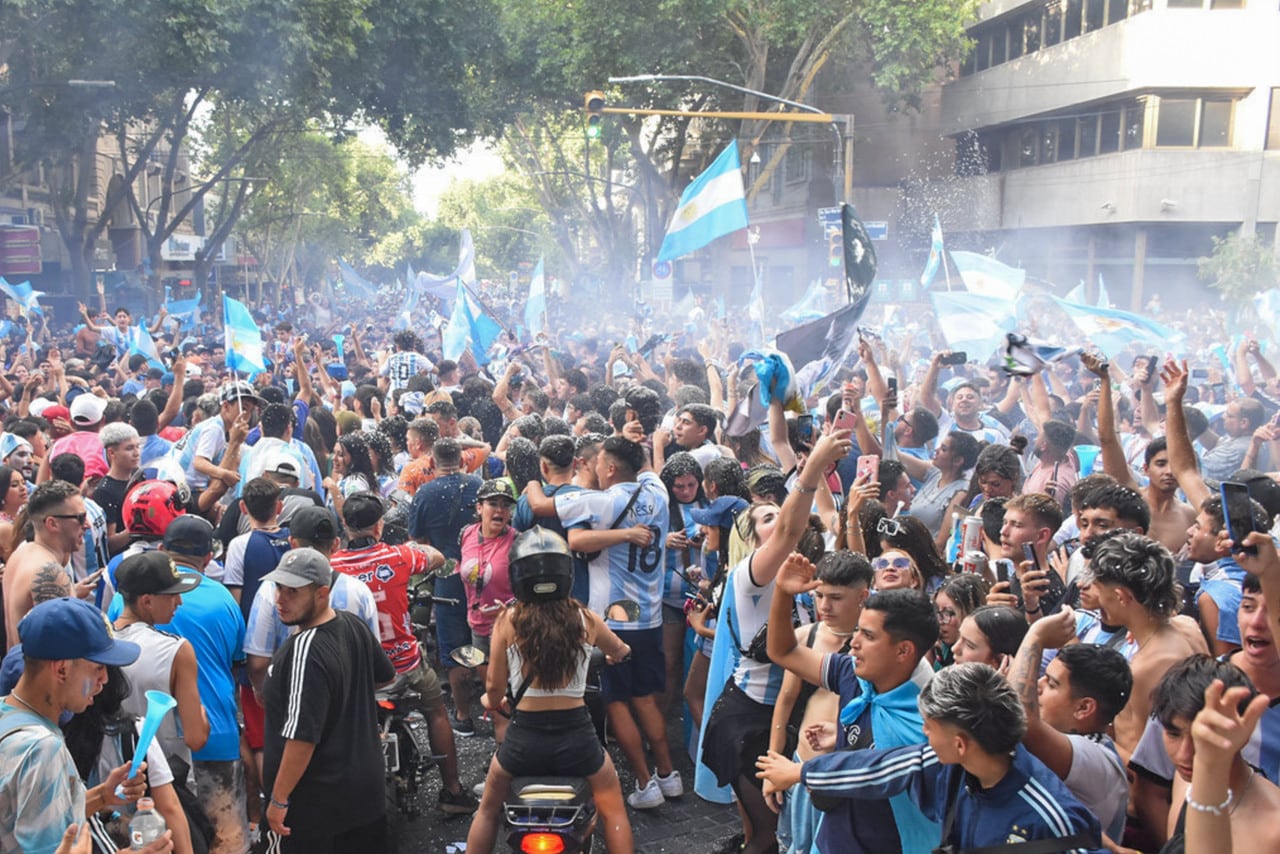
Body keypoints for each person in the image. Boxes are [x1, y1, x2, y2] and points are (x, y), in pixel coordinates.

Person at [755, 663, 1105, 853]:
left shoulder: (1049, 819)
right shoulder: (951, 765)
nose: (923, 735)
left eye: (929, 728)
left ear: (961, 743)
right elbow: (877, 768)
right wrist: (802, 773)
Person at [524, 434, 680, 810]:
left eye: (597, 462)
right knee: (644, 698)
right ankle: (668, 774)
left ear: (610, 468)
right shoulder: (655, 491)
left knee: (616, 703)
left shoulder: (602, 500)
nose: (592, 467)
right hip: (650, 617)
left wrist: (530, 476)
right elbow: (650, 468)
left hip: (613, 621)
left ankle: (645, 783)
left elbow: (541, 504)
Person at [464, 527, 634, 853]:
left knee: (487, 810)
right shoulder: (585, 618)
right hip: (578, 739)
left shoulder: (508, 620)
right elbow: (619, 649)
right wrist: (618, 654)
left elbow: (494, 690)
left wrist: (490, 699)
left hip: (524, 741)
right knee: (614, 809)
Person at [329, 491, 475, 814]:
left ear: (345, 526)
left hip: (354, 670)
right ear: (379, 526)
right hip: (403, 665)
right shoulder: (399, 558)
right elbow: (435, 557)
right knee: (437, 711)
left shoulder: (331, 566)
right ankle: (452, 791)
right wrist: (412, 548)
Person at [0, 597, 173, 854]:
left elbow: (33, 819)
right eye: (97, 668)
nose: (104, 680)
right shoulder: (42, 749)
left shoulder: (7, 711)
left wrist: (101, 796)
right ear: (61, 671)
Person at [259, 548, 396, 852]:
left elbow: (302, 738)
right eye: (278, 587)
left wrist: (278, 800)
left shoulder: (305, 649)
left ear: (322, 593)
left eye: (292, 591)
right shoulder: (351, 624)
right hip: (366, 797)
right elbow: (385, 675)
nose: (280, 598)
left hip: (316, 809)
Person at [765, 551, 872, 854]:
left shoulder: (877, 645)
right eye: (819, 595)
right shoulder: (806, 637)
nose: (824, 606)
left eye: (836, 597)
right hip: (802, 765)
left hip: (844, 775)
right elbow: (785, 702)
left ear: (862, 596)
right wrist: (774, 765)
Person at [1007, 608, 1133, 844]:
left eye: (1053, 684)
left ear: (1084, 708)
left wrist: (1035, 635)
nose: (1038, 685)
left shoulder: (1097, 759)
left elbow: (1020, 722)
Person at [1082, 532, 1206, 764]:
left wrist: (1086, 736)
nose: (1094, 595)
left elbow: (1145, 766)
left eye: (1098, 587)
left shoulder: (1146, 669)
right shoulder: (1187, 626)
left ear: (1121, 596)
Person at [1150, 655, 1280, 853]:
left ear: (1242, 734)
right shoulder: (1185, 779)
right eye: (1174, 734)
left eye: (1202, 739)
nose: (1185, 754)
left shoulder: (1273, 828)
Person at [112, 551, 210, 785]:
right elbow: (196, 737)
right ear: (146, 600)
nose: (180, 602)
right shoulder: (176, 649)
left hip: (109, 781)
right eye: (172, 595)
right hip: (164, 783)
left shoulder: (99, 643)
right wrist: (203, 715)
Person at [407, 437, 484, 735]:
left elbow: (420, 541)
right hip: (483, 574)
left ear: (431, 463)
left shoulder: (425, 493)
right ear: (463, 460)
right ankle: (499, 710)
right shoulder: (479, 487)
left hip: (448, 577)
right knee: (488, 640)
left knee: (456, 647)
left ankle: (464, 715)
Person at [3, 480, 96, 651]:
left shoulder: (21, 553)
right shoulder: (50, 573)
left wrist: (72, 591)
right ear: (52, 523)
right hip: (41, 677)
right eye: (80, 517)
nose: (87, 525)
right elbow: (61, 652)